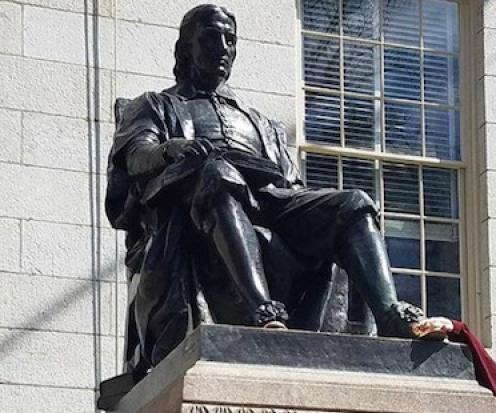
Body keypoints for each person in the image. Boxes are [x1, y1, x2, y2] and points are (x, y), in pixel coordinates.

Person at [106, 4, 424, 378]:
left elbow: (291, 184)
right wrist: (170, 149)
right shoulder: (157, 105)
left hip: (273, 199)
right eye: (210, 38)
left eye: (230, 40)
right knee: (218, 174)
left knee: (355, 203)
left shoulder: (260, 122)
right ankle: (264, 311)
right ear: (186, 47)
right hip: (206, 201)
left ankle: (390, 314)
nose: (222, 47)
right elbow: (137, 155)